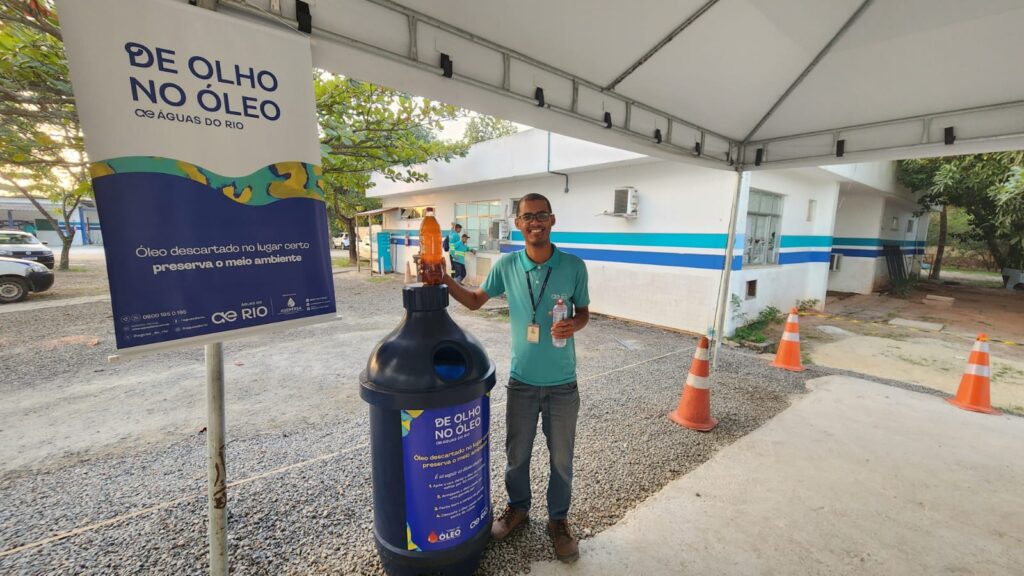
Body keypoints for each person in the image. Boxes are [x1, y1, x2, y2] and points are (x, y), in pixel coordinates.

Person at [439, 192, 589, 563]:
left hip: (562, 384)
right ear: (518, 224)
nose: (535, 222)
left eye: (541, 215)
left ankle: (558, 521)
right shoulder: (507, 265)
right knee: (516, 455)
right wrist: (443, 280)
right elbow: (475, 300)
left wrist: (576, 323)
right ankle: (518, 509)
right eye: (527, 216)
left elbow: (584, 311)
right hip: (521, 382)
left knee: (561, 460)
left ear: (552, 220)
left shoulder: (573, 266)